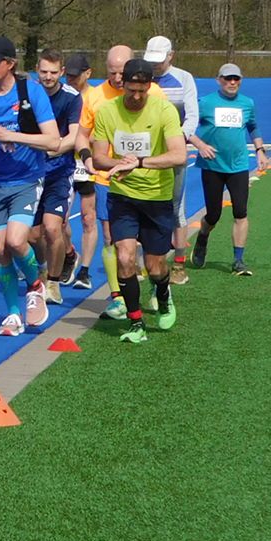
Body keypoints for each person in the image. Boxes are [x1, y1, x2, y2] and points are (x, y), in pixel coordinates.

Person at [90, 57, 187, 343]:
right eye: (131, 90)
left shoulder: (164, 110)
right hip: (122, 195)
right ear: (122, 85)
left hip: (157, 196)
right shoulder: (107, 111)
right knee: (125, 257)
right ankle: (136, 323)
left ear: (150, 87)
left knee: (155, 266)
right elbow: (98, 157)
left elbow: (179, 155)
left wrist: (140, 163)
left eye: (142, 91)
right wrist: (118, 165)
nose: (136, 96)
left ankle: (163, 293)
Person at [0, 36, 61, 337]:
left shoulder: (30, 92)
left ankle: (35, 284)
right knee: (0, 249)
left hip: (25, 179)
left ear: (10, 64)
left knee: (16, 241)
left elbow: (53, 141)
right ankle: (12, 314)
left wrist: (11, 136)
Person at [191, 63, 268, 275]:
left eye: (236, 78)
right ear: (219, 80)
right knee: (213, 215)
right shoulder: (205, 103)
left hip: (238, 165)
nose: (232, 82)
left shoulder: (247, 103)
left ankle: (238, 260)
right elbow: (186, 127)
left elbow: (253, 126)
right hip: (212, 166)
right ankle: (203, 237)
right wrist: (200, 145)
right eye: (227, 78)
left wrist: (260, 150)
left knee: (240, 212)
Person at [142, 35, 201, 283]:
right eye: (151, 60)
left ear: (171, 56)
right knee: (144, 206)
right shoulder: (142, 76)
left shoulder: (184, 78)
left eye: (159, 60)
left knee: (176, 209)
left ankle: (178, 263)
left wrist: (177, 140)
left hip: (174, 153)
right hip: (146, 154)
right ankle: (148, 261)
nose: (155, 65)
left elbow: (192, 116)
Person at [32, 49, 83, 303]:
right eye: (44, 72)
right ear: (37, 70)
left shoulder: (71, 98)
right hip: (31, 172)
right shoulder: (29, 94)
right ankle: (46, 268)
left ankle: (53, 284)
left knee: (53, 228)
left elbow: (74, 136)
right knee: (32, 236)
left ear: (62, 72)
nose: (48, 77)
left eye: (53, 72)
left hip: (60, 171)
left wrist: (53, 148)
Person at [63, 53, 100, 288]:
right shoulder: (63, 94)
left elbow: (102, 134)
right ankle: (69, 254)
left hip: (88, 163)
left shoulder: (96, 97)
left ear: (88, 74)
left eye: (75, 76)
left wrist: (82, 138)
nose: (71, 80)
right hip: (66, 163)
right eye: (68, 76)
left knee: (88, 218)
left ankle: (84, 271)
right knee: (59, 220)